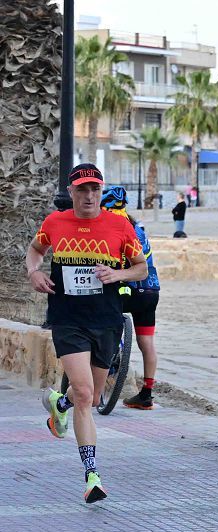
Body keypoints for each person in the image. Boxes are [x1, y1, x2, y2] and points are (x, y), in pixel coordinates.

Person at [28, 164, 147, 503]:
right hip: (68, 319)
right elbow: (35, 251)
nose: (89, 195)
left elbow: (141, 269)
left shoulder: (119, 226)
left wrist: (118, 273)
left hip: (106, 320)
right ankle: (92, 476)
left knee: (92, 399)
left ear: (101, 190)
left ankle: (58, 404)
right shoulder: (55, 223)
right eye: (82, 190)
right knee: (83, 392)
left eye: (94, 189)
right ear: (72, 193)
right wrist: (34, 273)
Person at [100, 186, 161, 410]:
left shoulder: (112, 226)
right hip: (150, 289)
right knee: (147, 342)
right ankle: (146, 393)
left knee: (106, 324)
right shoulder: (138, 228)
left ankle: (111, 360)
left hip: (124, 287)